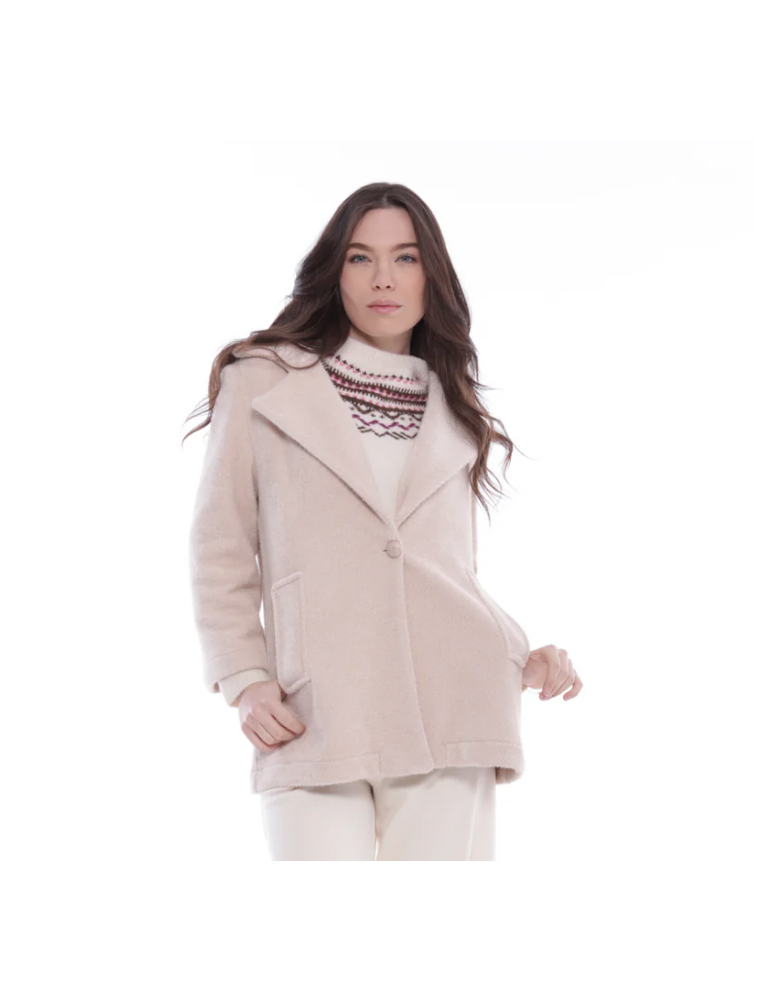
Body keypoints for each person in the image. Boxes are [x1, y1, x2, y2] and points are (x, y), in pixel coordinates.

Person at [185, 182, 582, 861]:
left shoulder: (454, 406)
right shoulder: (263, 381)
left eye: (405, 257)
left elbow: (448, 572)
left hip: (452, 708)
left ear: (432, 273)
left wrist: (519, 653)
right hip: (314, 711)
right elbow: (218, 545)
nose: (383, 279)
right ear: (333, 271)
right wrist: (244, 678)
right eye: (360, 258)